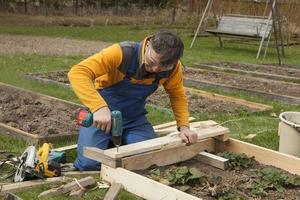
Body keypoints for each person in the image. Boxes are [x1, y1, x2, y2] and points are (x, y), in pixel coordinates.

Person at [68, 30, 198, 171]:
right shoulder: (122, 53)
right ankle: (109, 140)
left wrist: (184, 126)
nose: (155, 69)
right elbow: (77, 72)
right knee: (89, 164)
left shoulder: (173, 68)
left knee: (149, 158)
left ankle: (116, 142)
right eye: (152, 62)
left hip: (134, 118)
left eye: (162, 67)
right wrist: (98, 107)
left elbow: (177, 95)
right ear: (148, 45)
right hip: (101, 117)